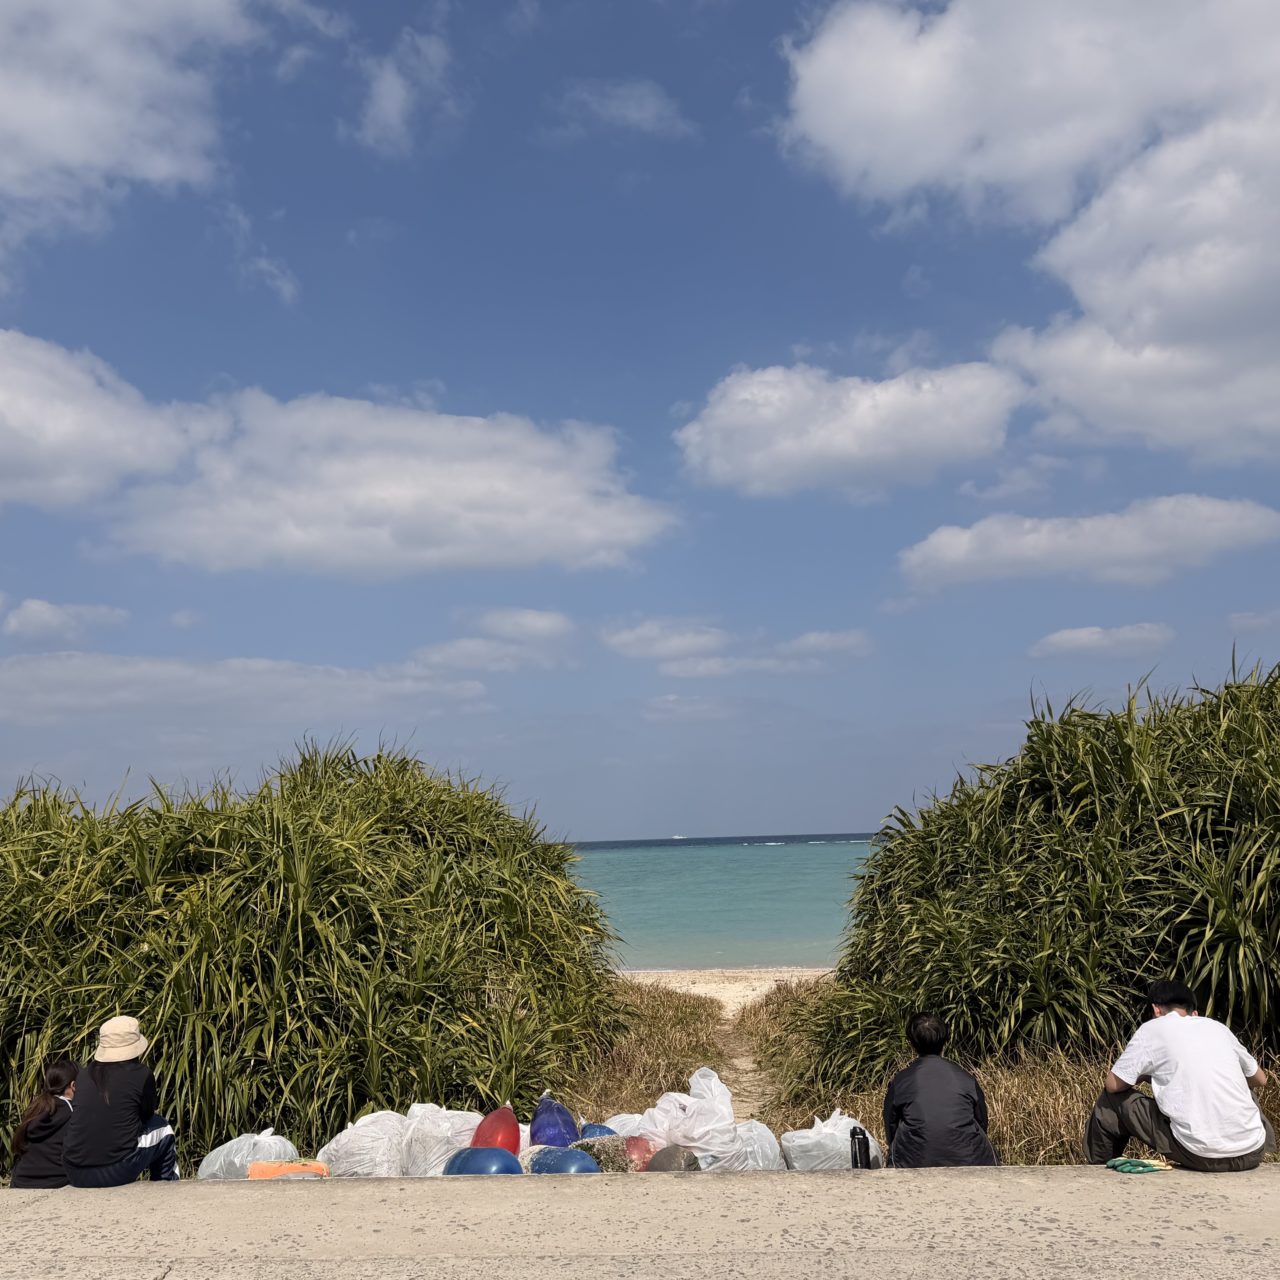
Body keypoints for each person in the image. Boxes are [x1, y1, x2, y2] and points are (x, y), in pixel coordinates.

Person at [1084, 978, 1276, 1172]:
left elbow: (1112, 1085)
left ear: (1156, 1009)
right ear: (1194, 1012)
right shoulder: (1217, 1027)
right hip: (1252, 1152)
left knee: (1110, 1100)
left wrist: (1146, 1076)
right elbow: (1260, 1079)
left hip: (1200, 1156)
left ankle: (1099, 1172)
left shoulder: (1152, 1029)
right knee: (1246, 1088)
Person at [63, 1016, 179, 1186]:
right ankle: (166, 1186)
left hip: (74, 1172)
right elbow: (147, 1115)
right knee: (163, 1128)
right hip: (115, 1171)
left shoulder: (84, 1075)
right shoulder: (142, 1074)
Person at [883, 1011, 997, 1167]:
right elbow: (982, 1122)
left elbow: (891, 1128)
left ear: (911, 1043)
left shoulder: (901, 1080)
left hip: (914, 1162)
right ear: (945, 1040)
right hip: (971, 1160)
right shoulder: (965, 1077)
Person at [9, 1060, 78, 1188]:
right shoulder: (73, 1113)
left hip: (21, 1182)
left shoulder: (37, 1108)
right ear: (73, 1086)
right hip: (56, 1183)